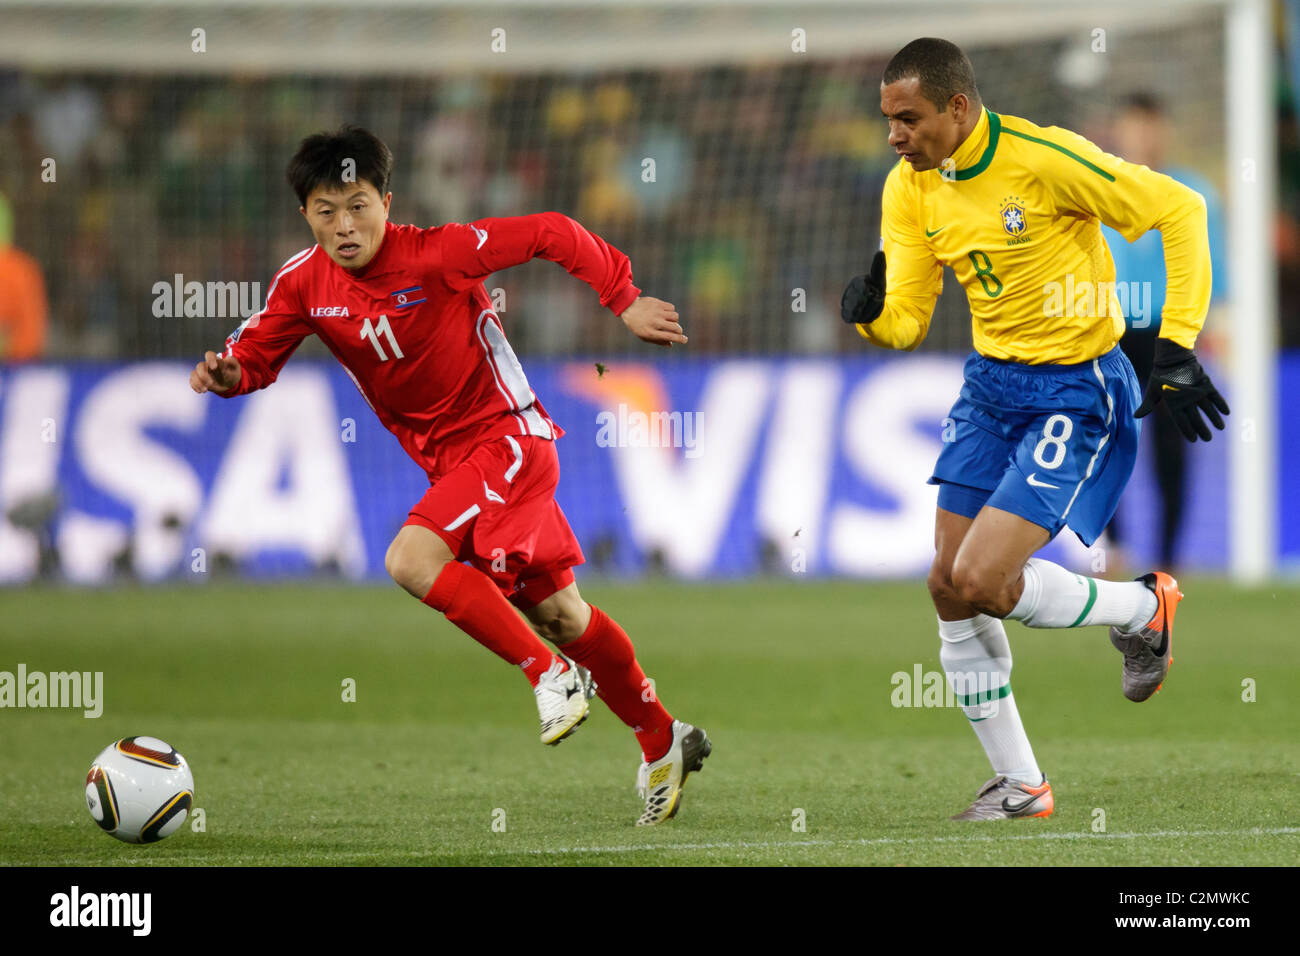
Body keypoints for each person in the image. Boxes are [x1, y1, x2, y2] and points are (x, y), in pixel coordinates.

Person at [189, 125, 710, 826]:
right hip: (456, 465)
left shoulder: (439, 252)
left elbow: (552, 231)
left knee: (410, 557)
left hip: (510, 440)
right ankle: (663, 737)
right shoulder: (304, 284)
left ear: (387, 200)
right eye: (326, 210)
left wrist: (623, 298)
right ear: (305, 216)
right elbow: (254, 357)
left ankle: (548, 676)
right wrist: (228, 375)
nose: (345, 226)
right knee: (559, 613)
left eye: (358, 205)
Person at [841, 39, 1229, 820]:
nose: (894, 136)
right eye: (888, 120)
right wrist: (871, 318)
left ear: (957, 106)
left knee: (984, 581)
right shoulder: (908, 188)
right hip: (991, 388)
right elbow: (909, 321)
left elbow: (1178, 211)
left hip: (1075, 388)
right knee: (948, 588)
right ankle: (1023, 785)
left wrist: (1178, 343)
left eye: (907, 119)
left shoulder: (1044, 158)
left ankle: (1142, 610)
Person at [1101, 93, 1229, 575]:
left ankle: (1170, 559)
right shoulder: (1098, 189)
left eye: (1150, 126)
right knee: (1108, 436)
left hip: (1170, 333)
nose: (1142, 137)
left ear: (1163, 131)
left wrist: (1219, 322)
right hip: (1112, 329)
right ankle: (1112, 548)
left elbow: (1215, 263)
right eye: (1133, 127)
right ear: (1119, 131)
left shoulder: (1192, 192)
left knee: (1172, 445)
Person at [0, 192, 49, 362]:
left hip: (14, 369)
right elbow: (31, 338)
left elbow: (30, 337)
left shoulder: (20, 271)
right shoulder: (24, 270)